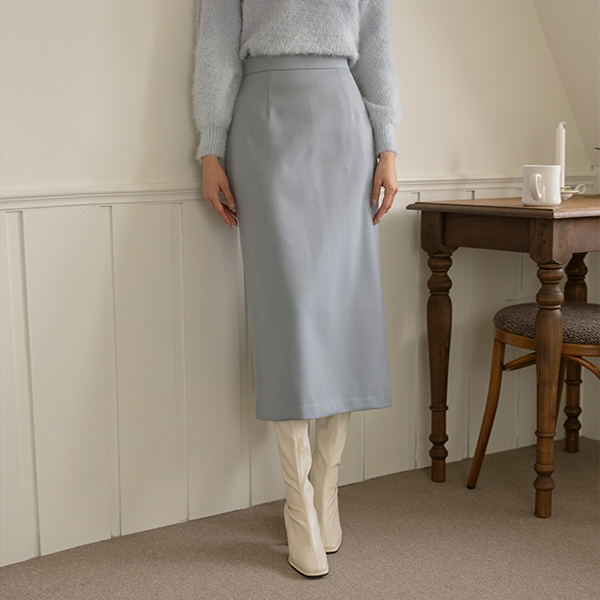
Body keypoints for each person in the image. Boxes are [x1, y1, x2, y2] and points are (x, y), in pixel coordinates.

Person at [192, 0, 401, 578]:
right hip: (263, 122)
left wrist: (387, 145)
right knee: (288, 314)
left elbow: (377, 49)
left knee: (343, 307)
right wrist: (210, 146)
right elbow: (215, 48)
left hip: (343, 122)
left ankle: (326, 484)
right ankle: (297, 501)